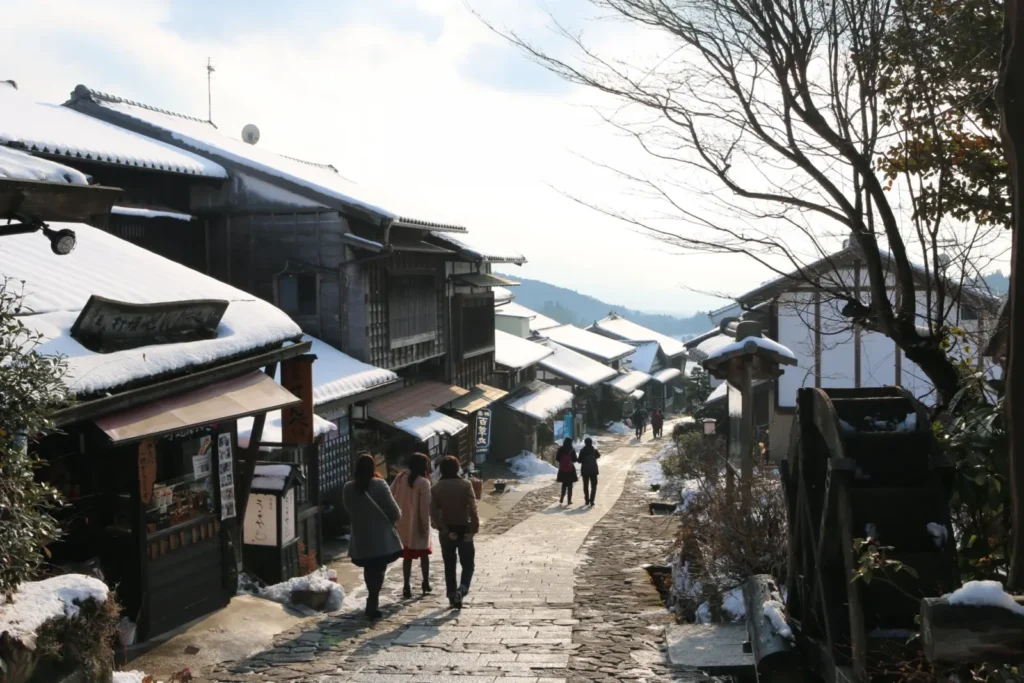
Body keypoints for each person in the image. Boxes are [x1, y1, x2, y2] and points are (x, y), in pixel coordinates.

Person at [342, 454, 403, 620]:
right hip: (380, 536)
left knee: (369, 567)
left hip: (361, 535)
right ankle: (373, 599)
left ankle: (372, 597)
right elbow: (394, 511)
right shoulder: (379, 484)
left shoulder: (348, 487)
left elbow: (349, 509)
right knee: (379, 567)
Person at [430, 456, 480, 609]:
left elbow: (433, 513)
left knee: (449, 565)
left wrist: (444, 530)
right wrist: (473, 530)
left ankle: (452, 595)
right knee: (468, 565)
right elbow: (473, 508)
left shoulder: (436, 488)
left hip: (447, 531)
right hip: (464, 529)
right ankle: (462, 589)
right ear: (458, 468)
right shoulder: (465, 485)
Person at [390, 453, 433, 599]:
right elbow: (425, 508)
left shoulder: (401, 477)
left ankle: (406, 585)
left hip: (402, 523)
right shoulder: (423, 482)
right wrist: (425, 526)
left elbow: (390, 494)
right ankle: (425, 582)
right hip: (417, 524)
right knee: (424, 555)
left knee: (407, 557)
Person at [577, 437, 600, 506]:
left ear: (585, 443)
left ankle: (587, 500)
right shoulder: (594, 450)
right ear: (591, 442)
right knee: (594, 485)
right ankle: (592, 500)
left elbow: (579, 461)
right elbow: (598, 456)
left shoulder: (582, 451)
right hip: (593, 470)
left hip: (585, 470)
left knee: (585, 485)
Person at [555, 437, 578, 505]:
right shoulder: (571, 450)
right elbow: (575, 459)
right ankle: (569, 500)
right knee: (570, 486)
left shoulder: (561, 449)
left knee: (564, 484)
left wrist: (562, 462)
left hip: (562, 470)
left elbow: (557, 458)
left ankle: (562, 497)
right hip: (570, 470)